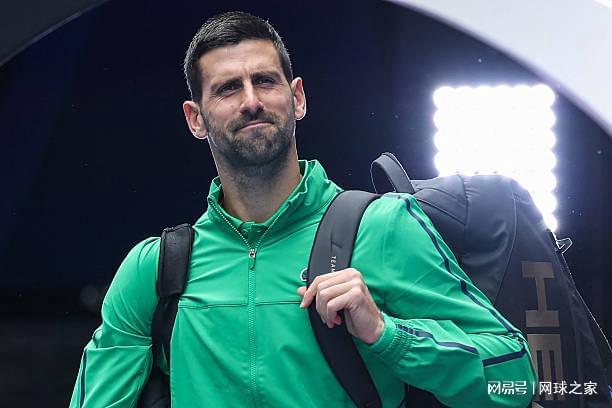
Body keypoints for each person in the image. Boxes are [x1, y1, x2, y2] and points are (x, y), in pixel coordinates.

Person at [70, 11, 537, 407]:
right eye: (228, 88)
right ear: (196, 119)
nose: (251, 101)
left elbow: (516, 381)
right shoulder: (157, 271)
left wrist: (386, 333)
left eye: (265, 81)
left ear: (297, 98)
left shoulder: (383, 228)